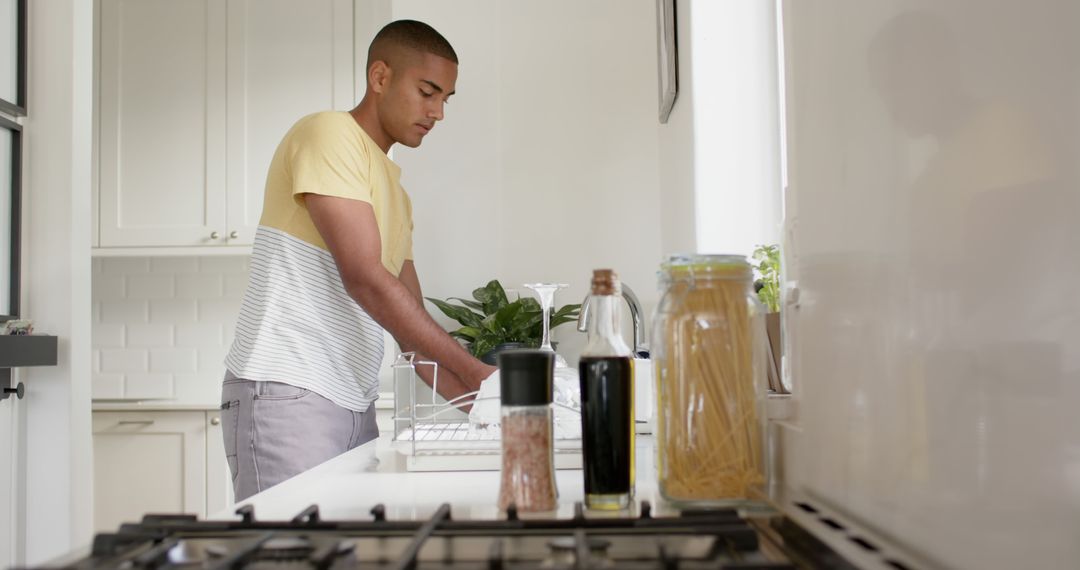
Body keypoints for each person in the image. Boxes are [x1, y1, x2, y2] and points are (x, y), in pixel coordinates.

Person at [220, 19, 497, 501]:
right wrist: (480, 374)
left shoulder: (396, 194)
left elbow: (410, 331)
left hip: (352, 404)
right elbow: (365, 279)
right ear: (380, 77)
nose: (437, 112)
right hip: (289, 390)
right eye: (427, 91)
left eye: (445, 99)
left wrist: (490, 408)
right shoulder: (329, 134)